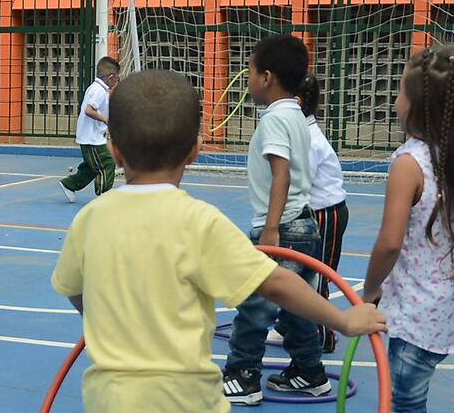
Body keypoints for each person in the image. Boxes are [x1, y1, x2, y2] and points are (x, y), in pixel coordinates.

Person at [50, 69, 386, 413]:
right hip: (187, 400)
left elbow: (74, 288)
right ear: (195, 150)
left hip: (108, 399)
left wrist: (107, 323)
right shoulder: (200, 223)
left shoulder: (89, 220)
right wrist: (343, 321)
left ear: (113, 149)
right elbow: (275, 282)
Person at [362, 46, 454, 413]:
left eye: (401, 91)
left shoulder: (410, 164)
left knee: (404, 402)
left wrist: (371, 290)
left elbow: (390, 243)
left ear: (416, 107)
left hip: (415, 317)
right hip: (451, 310)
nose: (395, 99)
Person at [223, 34, 330, 404]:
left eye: (250, 72)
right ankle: (309, 371)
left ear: (267, 77)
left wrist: (270, 228)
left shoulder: (272, 121)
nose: (247, 79)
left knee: (256, 302)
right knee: (295, 305)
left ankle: (242, 374)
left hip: (282, 227)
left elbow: (281, 173)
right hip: (303, 224)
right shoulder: (297, 115)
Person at [271, 72, 348, 354]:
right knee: (296, 273)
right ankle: (287, 323)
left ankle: (321, 336)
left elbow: (294, 181)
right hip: (311, 212)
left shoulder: (309, 140)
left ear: (296, 101)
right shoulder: (300, 133)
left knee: (318, 276)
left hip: (326, 213)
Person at [58, 56, 120, 202]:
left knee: (92, 167)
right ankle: (104, 194)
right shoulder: (98, 91)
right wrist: (106, 120)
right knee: (107, 161)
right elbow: (89, 110)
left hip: (93, 136)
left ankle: (69, 184)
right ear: (110, 77)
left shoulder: (98, 88)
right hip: (91, 138)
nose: (117, 81)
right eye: (117, 78)